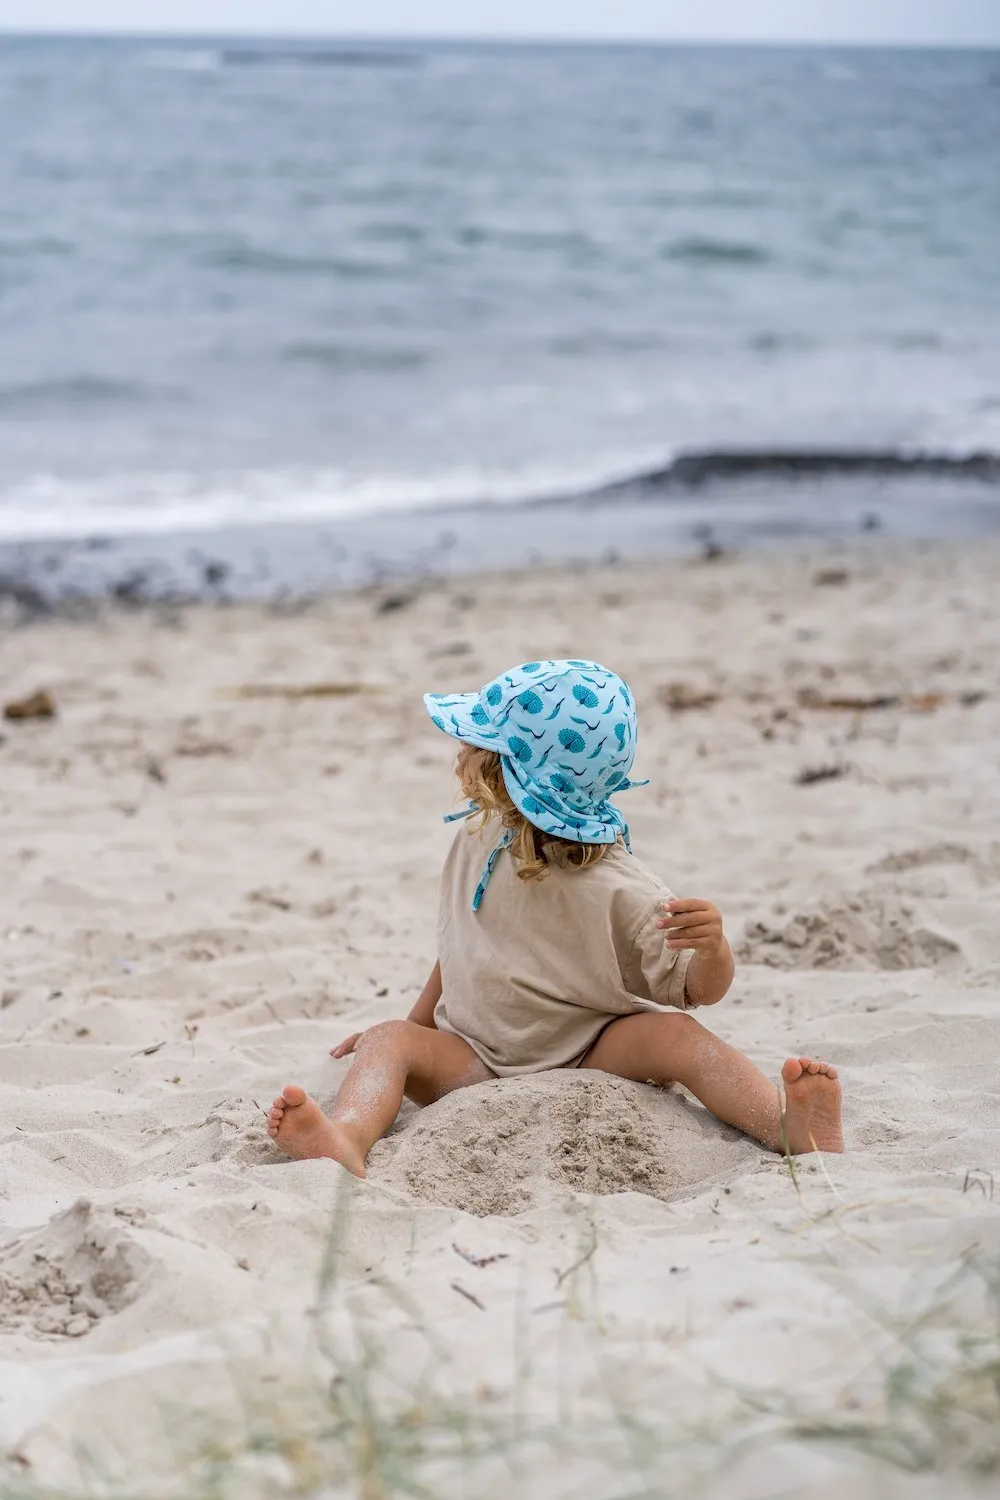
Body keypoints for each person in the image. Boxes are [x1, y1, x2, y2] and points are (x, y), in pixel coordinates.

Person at [268, 659, 842, 1178]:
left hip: (591, 1050)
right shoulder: (478, 834)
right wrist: (415, 1027)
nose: (458, 751)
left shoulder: (621, 885)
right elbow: (462, 947)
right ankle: (346, 1138)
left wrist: (713, 949)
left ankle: (787, 1125)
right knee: (390, 1040)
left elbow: (694, 989)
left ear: (504, 773)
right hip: (476, 1057)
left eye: (473, 742)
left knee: (678, 1036)